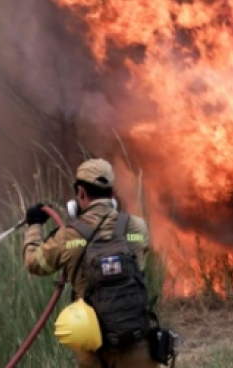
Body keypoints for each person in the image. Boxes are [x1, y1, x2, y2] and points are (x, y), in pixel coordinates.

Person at [23, 158, 157, 368]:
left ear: (81, 194)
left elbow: (34, 263)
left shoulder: (67, 236)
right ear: (113, 195)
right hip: (138, 344)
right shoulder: (137, 228)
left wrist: (34, 227)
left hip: (94, 351)